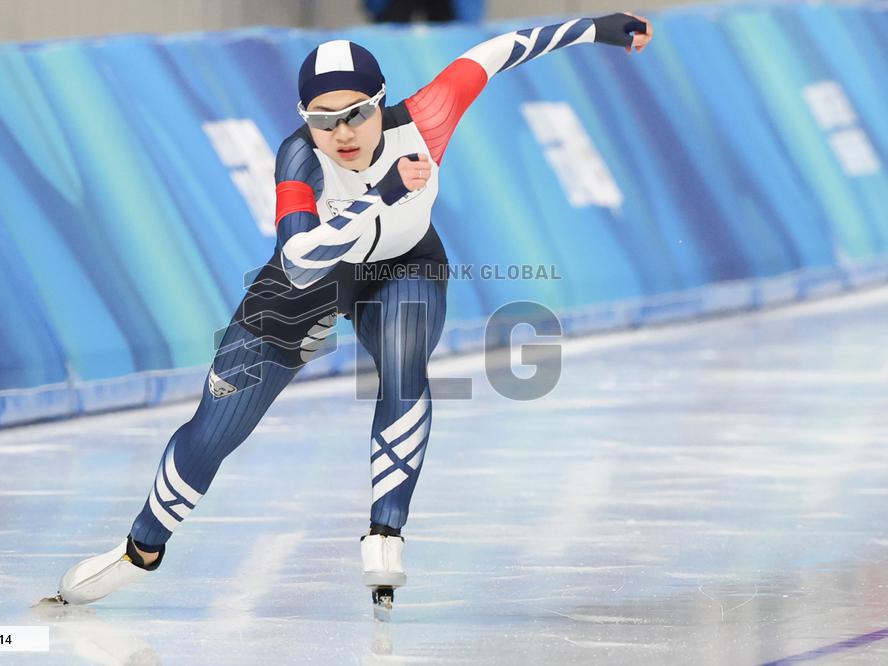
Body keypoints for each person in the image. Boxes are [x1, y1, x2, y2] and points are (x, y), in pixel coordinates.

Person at [54, 11, 653, 611]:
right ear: (303, 121)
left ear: (382, 102)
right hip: (308, 284)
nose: (342, 132)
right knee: (215, 428)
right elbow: (298, 261)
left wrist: (601, 27)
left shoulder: (429, 116)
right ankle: (141, 549)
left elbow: (503, 48)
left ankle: (385, 531)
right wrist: (382, 194)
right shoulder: (300, 160)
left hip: (403, 265)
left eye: (357, 113)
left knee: (404, 353)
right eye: (322, 119)